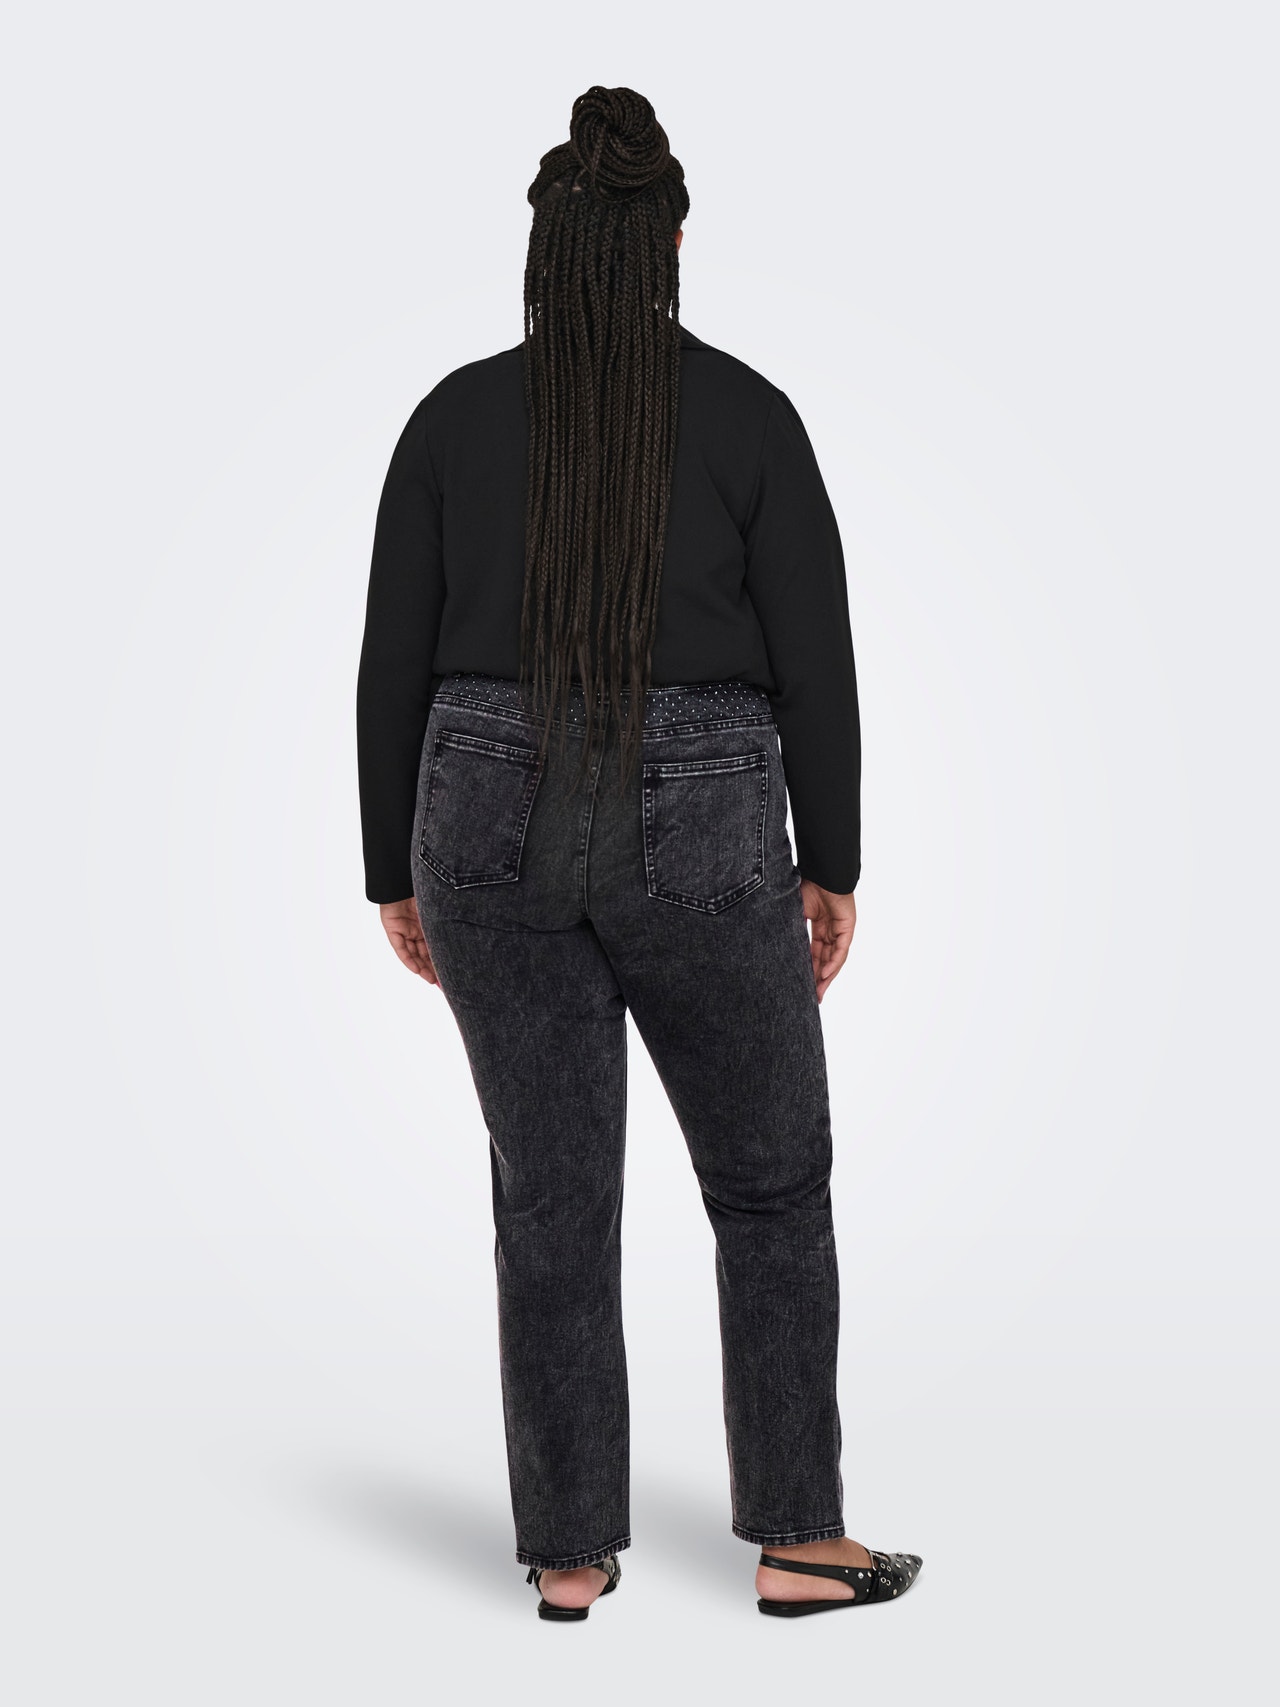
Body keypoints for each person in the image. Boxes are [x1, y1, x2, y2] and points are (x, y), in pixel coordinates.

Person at [356, 84, 921, 1622]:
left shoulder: (452, 418)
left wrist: (391, 867)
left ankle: (565, 1555)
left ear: (543, 252)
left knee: (548, 1194)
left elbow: (392, 661)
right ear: (672, 243)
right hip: (707, 811)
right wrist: (832, 860)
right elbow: (816, 663)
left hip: (480, 805)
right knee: (770, 1183)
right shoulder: (749, 415)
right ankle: (800, 1540)